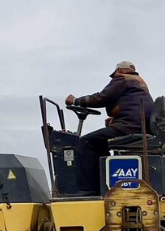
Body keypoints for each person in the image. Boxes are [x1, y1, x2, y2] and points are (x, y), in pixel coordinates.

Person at [65, 61, 154, 196]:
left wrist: (76, 101)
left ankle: (86, 189)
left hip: (129, 127)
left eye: (115, 74)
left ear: (120, 70)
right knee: (100, 142)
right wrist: (115, 118)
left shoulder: (123, 79)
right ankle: (102, 185)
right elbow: (131, 107)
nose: (113, 78)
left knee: (86, 141)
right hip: (137, 126)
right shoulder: (140, 83)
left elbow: (102, 97)